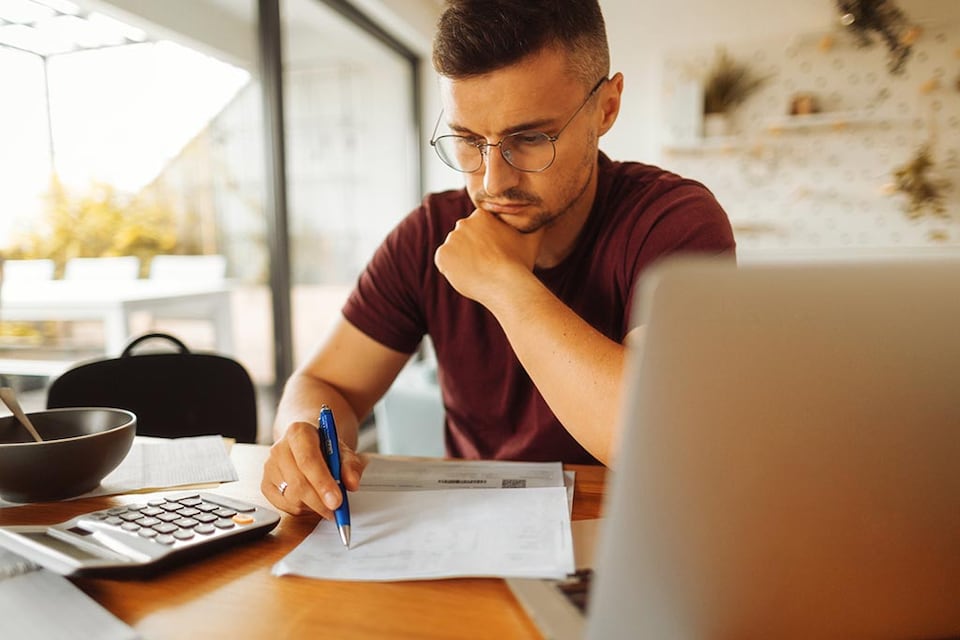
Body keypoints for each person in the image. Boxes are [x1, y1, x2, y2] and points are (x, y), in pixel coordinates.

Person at [262, 0, 735, 517]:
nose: (492, 182)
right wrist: (302, 436)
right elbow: (325, 384)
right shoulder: (428, 234)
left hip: (628, 537)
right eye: (467, 140)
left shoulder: (675, 221)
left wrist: (503, 283)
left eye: (529, 139)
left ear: (606, 107)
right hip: (478, 537)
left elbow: (658, 443)